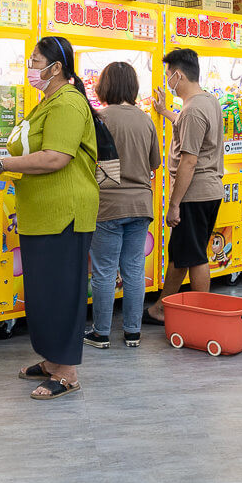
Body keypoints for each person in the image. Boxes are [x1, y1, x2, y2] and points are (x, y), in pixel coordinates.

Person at [0, 35, 97, 400]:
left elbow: (55, 157)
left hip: (65, 214)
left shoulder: (68, 103)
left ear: (56, 67)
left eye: (34, 61)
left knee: (62, 292)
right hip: (40, 214)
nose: (29, 68)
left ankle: (67, 372)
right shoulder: (46, 102)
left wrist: (4, 164)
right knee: (44, 293)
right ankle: (51, 360)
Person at [144, 48, 225, 323]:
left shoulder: (193, 110)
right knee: (182, 254)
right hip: (210, 191)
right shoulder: (208, 101)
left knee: (195, 256)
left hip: (194, 194)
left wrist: (174, 204)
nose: (167, 79)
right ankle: (161, 308)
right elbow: (190, 127)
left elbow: (189, 162)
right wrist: (165, 110)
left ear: (178, 75)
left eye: (168, 75)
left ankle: (202, 315)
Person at [84, 61, 161, 349]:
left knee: (104, 270)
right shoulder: (145, 120)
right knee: (134, 269)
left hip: (107, 206)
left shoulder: (99, 119)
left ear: (105, 86)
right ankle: (132, 332)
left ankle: (101, 333)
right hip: (141, 205)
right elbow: (155, 163)